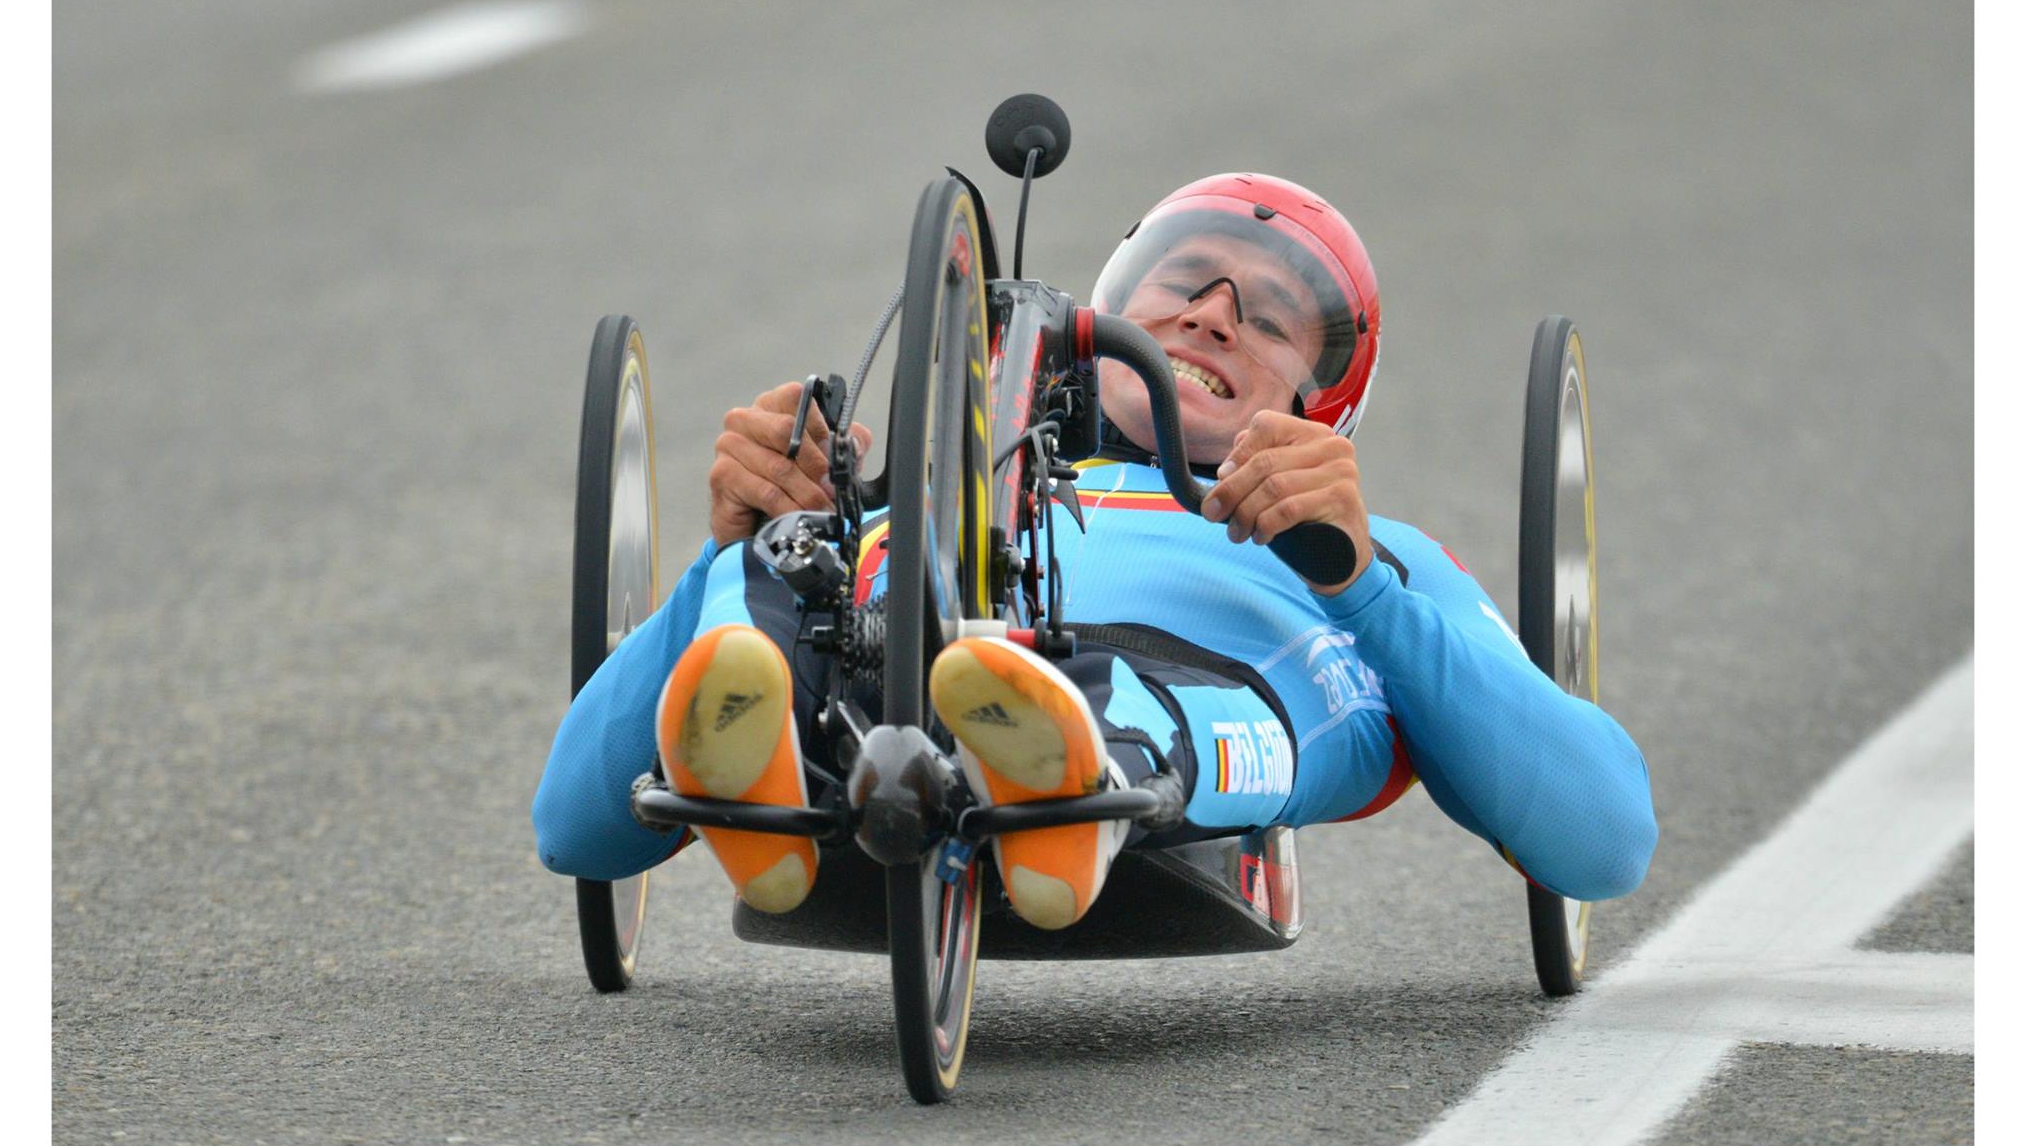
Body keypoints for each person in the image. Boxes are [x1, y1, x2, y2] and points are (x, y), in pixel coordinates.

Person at [533, 173, 1656, 930]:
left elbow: (1604, 840)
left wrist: (1354, 583)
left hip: (1189, 696)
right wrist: (731, 548)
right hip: (883, 673)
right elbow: (572, 826)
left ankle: (1080, 777)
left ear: (1321, 409)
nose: (1212, 314)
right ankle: (759, 772)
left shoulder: (1371, 562)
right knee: (774, 565)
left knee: (1144, 691)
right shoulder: (914, 501)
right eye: (1183, 281)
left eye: (1269, 319)